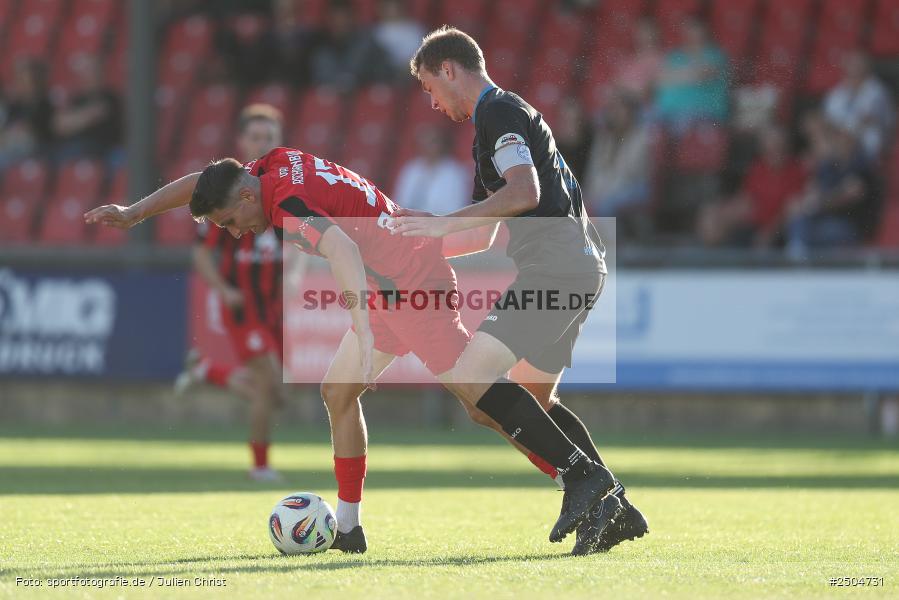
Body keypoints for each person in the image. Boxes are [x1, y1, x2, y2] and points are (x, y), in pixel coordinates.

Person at [84, 141, 626, 555]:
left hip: (410, 285)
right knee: (339, 392)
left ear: (248, 197)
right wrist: (134, 213)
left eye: (230, 222)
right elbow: (203, 181)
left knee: (477, 399)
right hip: (393, 281)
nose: (233, 233)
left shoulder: (283, 202)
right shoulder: (269, 166)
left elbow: (340, 246)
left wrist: (363, 328)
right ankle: (348, 530)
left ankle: (584, 479)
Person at [395, 25, 648, 555]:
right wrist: (410, 249)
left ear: (449, 70)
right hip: (574, 266)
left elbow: (525, 192)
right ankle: (615, 509)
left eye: (428, 87)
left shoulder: (498, 112)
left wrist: (440, 223)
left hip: (556, 269)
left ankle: (586, 481)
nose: (432, 103)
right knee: (533, 398)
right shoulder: (491, 126)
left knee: (473, 379)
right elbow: (483, 232)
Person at [173, 104, 289, 482]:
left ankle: (209, 371)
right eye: (255, 136)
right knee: (266, 387)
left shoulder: (285, 188)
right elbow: (202, 253)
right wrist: (224, 290)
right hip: (245, 306)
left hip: (277, 307)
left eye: (269, 137)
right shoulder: (225, 193)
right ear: (241, 141)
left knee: (277, 395)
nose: (262, 142)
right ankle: (260, 467)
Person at [697, 125, 806, 248]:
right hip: (754, 222)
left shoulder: (797, 170)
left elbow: (792, 211)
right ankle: (709, 257)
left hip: (778, 230)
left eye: (779, 144)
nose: (774, 149)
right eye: (769, 145)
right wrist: (724, 211)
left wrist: (769, 232)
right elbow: (747, 199)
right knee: (711, 213)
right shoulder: (757, 168)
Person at [582, 90, 653, 222]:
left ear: (631, 113)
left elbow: (630, 173)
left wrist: (601, 196)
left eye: (620, 110)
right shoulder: (604, 137)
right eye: (612, 110)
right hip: (609, 189)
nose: (615, 115)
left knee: (605, 206)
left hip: (636, 187)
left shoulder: (641, 136)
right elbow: (594, 172)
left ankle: (607, 241)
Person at [654, 16, 728, 135]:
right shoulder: (674, 55)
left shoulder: (715, 54)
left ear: (704, 31)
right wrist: (689, 74)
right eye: (688, 29)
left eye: (695, 29)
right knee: (645, 120)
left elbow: (702, 76)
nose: (691, 34)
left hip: (703, 112)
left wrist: (675, 76)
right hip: (667, 112)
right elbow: (659, 80)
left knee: (682, 125)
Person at [823, 50, 895, 162]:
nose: (854, 70)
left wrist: (845, 133)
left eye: (859, 66)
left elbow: (867, 119)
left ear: (867, 68)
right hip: (841, 139)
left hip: (868, 142)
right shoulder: (837, 92)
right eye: (852, 65)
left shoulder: (877, 90)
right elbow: (829, 119)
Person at [52, 55, 122, 163]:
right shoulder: (77, 99)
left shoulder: (109, 97)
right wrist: (85, 117)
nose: (90, 76)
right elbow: (60, 125)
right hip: (76, 145)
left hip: (103, 147)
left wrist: (75, 119)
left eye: (94, 72)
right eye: (88, 72)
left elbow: (98, 113)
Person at [392, 125, 469, 214]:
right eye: (424, 143)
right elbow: (399, 200)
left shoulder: (455, 173)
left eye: (432, 143)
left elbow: (455, 209)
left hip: (439, 223)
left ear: (442, 145)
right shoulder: (411, 167)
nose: (428, 147)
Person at [0, 58, 53, 168]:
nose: (18, 84)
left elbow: (32, 135)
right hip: (9, 149)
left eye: (24, 81)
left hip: (34, 153)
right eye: (18, 80)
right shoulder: (14, 106)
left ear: (35, 82)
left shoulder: (45, 105)